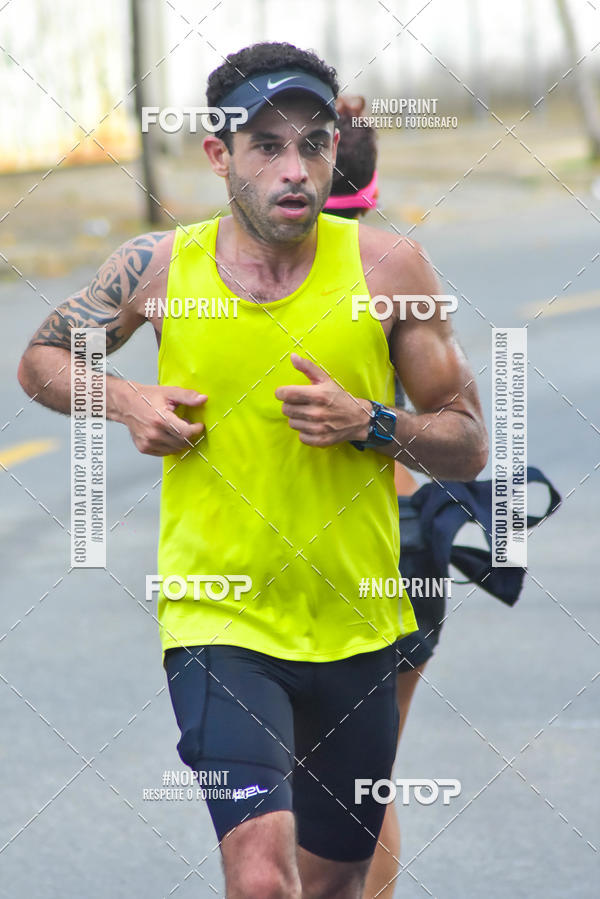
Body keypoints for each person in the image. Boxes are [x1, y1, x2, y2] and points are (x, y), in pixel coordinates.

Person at [17, 42, 488, 899]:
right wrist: (128, 401)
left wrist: (372, 421)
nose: (293, 166)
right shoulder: (158, 268)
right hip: (218, 623)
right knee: (263, 879)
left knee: (339, 882)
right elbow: (42, 359)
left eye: (312, 143)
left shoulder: (391, 273)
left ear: (334, 154)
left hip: (356, 622)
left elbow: (469, 441)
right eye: (266, 144)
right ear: (218, 155)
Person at [325, 97, 448, 898]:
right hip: (409, 532)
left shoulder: (252, 273)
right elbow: (454, 424)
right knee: (370, 776)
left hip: (337, 546)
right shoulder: (399, 264)